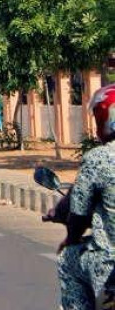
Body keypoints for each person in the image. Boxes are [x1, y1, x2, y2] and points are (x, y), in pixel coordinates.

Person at [57, 83, 115, 310]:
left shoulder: (99, 158)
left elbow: (79, 214)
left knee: (67, 260)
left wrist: (70, 239)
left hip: (109, 260)